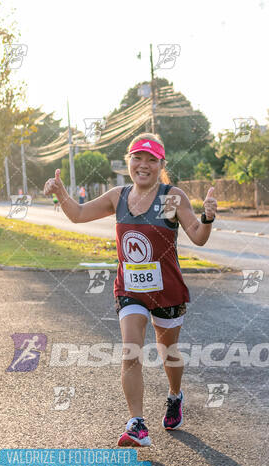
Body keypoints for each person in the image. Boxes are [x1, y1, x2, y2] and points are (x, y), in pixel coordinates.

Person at [43, 133, 217, 447]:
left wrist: (207, 217)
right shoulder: (118, 196)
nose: (144, 164)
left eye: (152, 159)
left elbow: (198, 235)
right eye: (138, 157)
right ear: (129, 161)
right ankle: (137, 423)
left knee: (169, 353)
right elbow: (79, 214)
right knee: (131, 352)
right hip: (130, 290)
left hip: (167, 291)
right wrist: (61, 193)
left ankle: (175, 395)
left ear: (161, 164)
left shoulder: (171, 197)